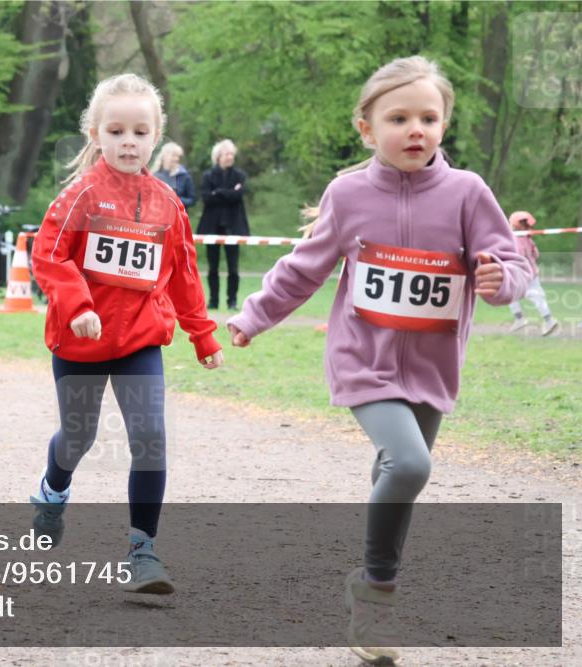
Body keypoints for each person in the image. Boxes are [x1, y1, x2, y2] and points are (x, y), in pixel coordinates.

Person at [225, 56, 530, 666]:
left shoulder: (469, 193)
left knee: (398, 476)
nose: (415, 129)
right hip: (362, 361)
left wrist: (501, 282)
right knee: (410, 462)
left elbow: (511, 262)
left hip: (433, 368)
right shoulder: (349, 193)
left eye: (428, 117)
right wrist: (253, 316)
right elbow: (302, 269)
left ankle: (371, 578)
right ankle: (376, 592)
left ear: (444, 124)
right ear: (367, 129)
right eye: (398, 117)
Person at [30, 73, 223, 595]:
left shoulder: (168, 205)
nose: (129, 142)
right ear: (96, 134)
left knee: (151, 440)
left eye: (140, 132)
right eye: (116, 131)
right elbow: (47, 255)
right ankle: (52, 492)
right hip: (81, 342)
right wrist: (76, 305)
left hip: (139, 340)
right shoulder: (80, 196)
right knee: (79, 439)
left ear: (156, 137)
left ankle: (143, 550)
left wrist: (202, 335)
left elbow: (183, 274)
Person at [197, 139, 249, 310]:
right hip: (212, 226)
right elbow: (207, 198)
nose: (230, 157)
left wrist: (218, 192)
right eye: (227, 154)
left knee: (233, 268)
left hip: (233, 226)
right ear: (218, 156)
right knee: (213, 267)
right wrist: (228, 193)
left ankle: (232, 301)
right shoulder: (208, 176)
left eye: (232, 154)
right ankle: (213, 300)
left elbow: (239, 195)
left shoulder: (239, 175)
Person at [507, 210, 559, 336]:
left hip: (522, 273)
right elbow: (536, 254)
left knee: (510, 293)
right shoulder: (527, 238)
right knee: (538, 297)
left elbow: (516, 258)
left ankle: (519, 318)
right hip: (533, 272)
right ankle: (549, 320)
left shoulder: (514, 239)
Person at [151, 142, 196, 209]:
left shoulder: (184, 176)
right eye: (174, 155)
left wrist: (175, 199)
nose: (176, 159)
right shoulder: (154, 176)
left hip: (178, 217)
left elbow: (192, 200)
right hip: (157, 216)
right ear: (164, 156)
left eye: (178, 156)